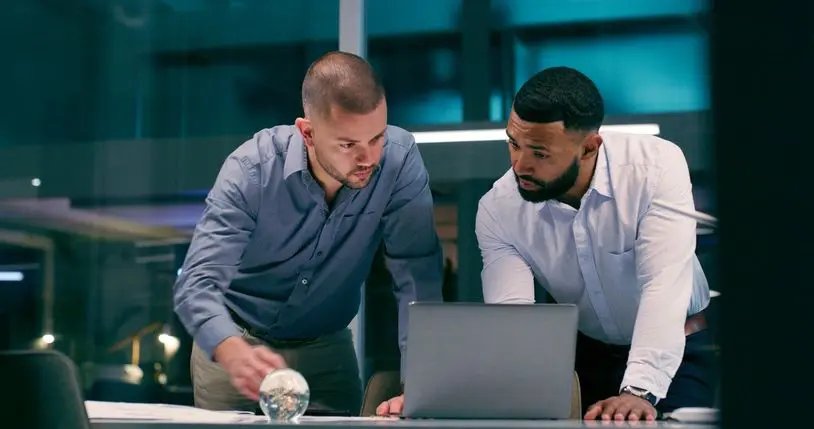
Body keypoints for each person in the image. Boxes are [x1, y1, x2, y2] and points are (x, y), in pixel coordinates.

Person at [377, 66, 717, 421]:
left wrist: (637, 391)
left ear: (589, 147)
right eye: (513, 143)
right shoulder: (499, 209)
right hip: (586, 352)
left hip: (676, 347)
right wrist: (441, 398)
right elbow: (514, 324)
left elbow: (663, 286)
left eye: (539, 153)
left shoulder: (655, 167)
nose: (520, 165)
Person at [173, 51, 444, 415]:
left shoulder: (399, 160)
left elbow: (416, 273)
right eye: (348, 145)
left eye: (377, 137)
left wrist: (421, 381)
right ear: (308, 132)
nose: (369, 158)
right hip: (239, 346)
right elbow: (197, 283)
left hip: (327, 347)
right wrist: (229, 348)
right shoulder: (251, 170)